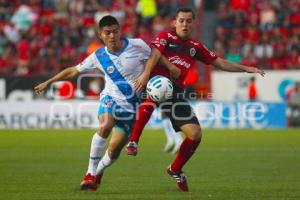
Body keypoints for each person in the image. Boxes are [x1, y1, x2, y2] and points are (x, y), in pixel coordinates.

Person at [126, 7, 265, 192]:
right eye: (181, 20)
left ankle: (175, 168)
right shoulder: (165, 36)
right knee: (156, 92)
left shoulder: (195, 47)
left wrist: (246, 68)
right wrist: (145, 74)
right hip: (155, 81)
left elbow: (220, 62)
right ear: (175, 22)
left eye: (188, 21)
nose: (184, 24)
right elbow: (154, 55)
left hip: (176, 92)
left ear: (193, 23)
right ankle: (133, 141)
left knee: (195, 134)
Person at [34, 15, 174, 191]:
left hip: (132, 108)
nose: (112, 36)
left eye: (115, 31)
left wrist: (166, 68)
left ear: (120, 31)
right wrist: (49, 82)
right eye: (108, 33)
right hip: (110, 99)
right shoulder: (98, 56)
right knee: (106, 125)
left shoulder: (137, 45)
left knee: (114, 151)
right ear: (101, 35)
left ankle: (97, 173)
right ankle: (89, 173)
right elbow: (73, 71)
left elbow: (156, 55)